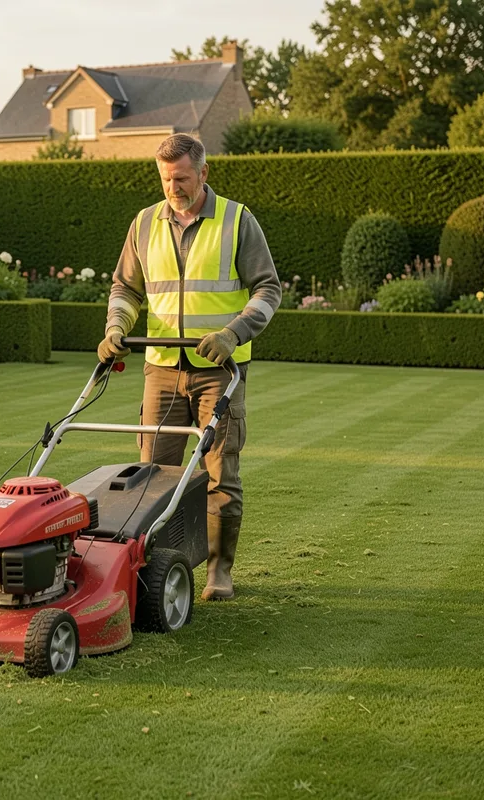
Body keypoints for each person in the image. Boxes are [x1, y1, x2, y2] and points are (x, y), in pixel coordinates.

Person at [97, 133, 281, 601]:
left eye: (180, 178)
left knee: (220, 472)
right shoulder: (143, 223)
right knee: (151, 475)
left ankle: (219, 571)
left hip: (219, 370)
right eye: (165, 179)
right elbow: (126, 288)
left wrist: (232, 333)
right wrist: (116, 327)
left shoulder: (238, 221)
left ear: (204, 173)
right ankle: (149, 572)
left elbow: (268, 290)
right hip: (161, 367)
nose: (172, 187)